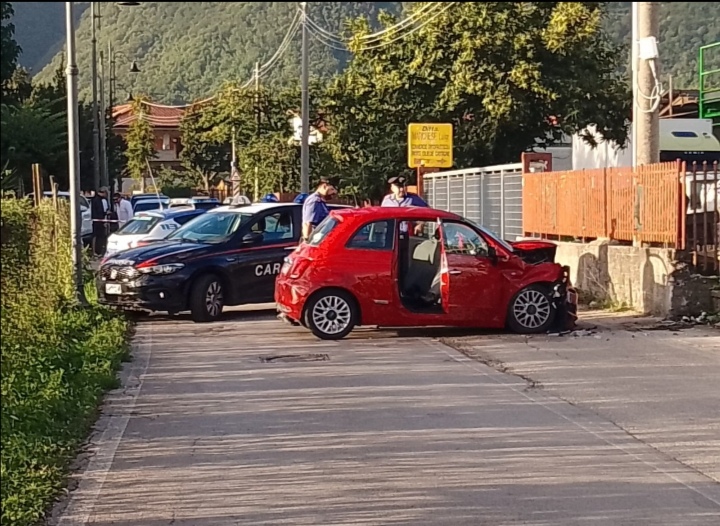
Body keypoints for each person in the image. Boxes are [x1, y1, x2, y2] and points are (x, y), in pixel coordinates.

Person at [301, 176, 338, 240]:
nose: (334, 193)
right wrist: (308, 241)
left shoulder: (320, 201)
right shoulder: (315, 201)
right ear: (324, 186)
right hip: (314, 241)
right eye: (332, 189)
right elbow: (308, 224)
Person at [91, 187, 110, 256]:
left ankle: (99, 251)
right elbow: (101, 211)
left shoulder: (99, 200)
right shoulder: (98, 200)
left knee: (101, 236)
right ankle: (96, 251)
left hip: (100, 220)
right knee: (98, 236)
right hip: (98, 221)